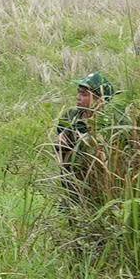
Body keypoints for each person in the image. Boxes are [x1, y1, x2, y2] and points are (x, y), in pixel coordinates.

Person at [52, 71, 115, 206]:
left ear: (100, 99)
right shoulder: (70, 115)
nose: (78, 97)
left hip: (98, 184)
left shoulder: (109, 122)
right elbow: (60, 145)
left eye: (84, 94)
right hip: (71, 180)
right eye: (78, 92)